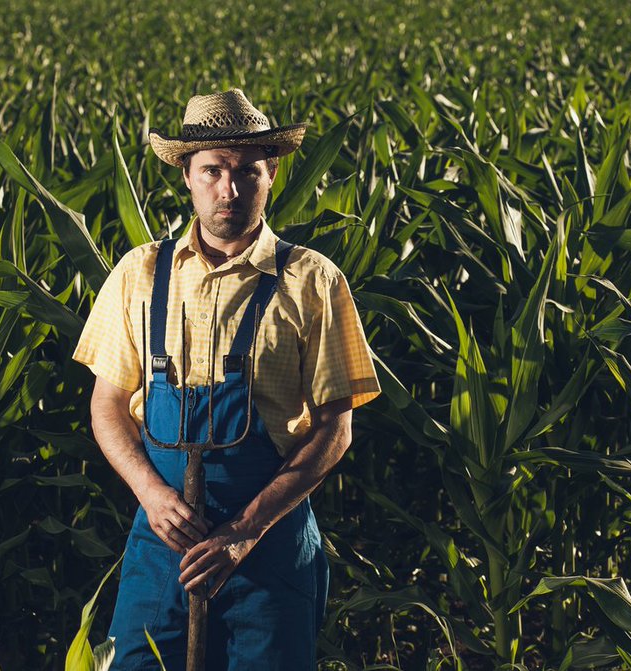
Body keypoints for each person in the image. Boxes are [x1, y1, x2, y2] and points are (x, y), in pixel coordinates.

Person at [72, 88, 380, 670]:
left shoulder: (314, 282)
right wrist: (151, 494)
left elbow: (336, 428)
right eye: (212, 170)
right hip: (162, 545)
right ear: (186, 175)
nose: (229, 189)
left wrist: (245, 529)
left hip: (268, 550)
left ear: (272, 175)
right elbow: (108, 405)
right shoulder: (139, 274)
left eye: (246, 172)